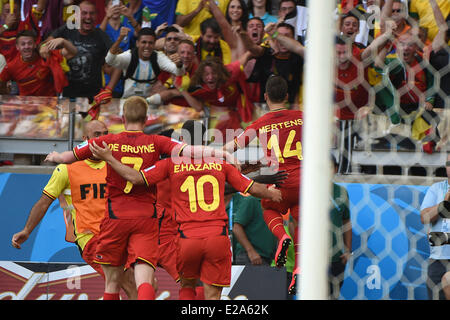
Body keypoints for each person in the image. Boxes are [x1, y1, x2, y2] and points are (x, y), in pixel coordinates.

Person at [44, 96, 239, 300]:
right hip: (151, 221)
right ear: (146, 118)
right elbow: (193, 154)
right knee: (152, 280)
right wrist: (222, 154)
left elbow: (69, 157)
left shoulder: (107, 141)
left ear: (122, 117)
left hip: (117, 217)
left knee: (113, 282)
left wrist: (56, 157)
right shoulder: (158, 143)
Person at [88, 120, 282, 300]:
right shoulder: (207, 163)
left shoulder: (165, 165)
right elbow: (225, 186)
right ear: (205, 142)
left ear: (180, 141)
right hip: (172, 234)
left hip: (159, 230)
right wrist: (263, 180)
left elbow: (138, 178)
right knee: (182, 284)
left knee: (139, 284)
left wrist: (111, 160)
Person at [11, 120, 137, 299]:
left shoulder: (116, 164)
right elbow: (44, 202)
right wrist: (26, 230)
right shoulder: (67, 168)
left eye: (106, 134)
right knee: (128, 282)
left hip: (118, 235)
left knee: (138, 284)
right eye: (97, 135)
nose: (103, 139)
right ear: (85, 139)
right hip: (91, 237)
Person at [224, 75, 303, 294]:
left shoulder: (260, 123)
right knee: (301, 220)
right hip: (302, 181)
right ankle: (298, 267)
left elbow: (230, 147)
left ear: (266, 97)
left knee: (268, 208)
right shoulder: (302, 117)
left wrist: (222, 156)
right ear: (287, 96)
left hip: (278, 180)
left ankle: (281, 236)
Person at [48, 0, 115, 101]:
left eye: (91, 13)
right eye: (84, 13)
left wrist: (109, 89)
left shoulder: (101, 35)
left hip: (92, 97)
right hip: (66, 96)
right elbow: (47, 43)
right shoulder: (67, 29)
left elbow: (119, 62)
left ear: (96, 16)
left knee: (90, 118)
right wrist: (49, 48)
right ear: (76, 15)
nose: (88, 17)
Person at [105, 27, 184, 99]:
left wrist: (179, 65)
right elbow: (109, 60)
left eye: (150, 43)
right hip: (127, 102)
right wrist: (120, 38)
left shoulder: (158, 57)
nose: (147, 46)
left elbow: (179, 72)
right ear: (137, 43)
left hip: (150, 103)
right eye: (144, 42)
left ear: (154, 44)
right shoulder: (129, 56)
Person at [0, 29, 77, 96]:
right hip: (26, 106)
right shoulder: (11, 66)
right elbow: (2, 83)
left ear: (35, 45)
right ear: (17, 47)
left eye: (30, 43)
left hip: (49, 104)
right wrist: (6, 95)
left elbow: (73, 52)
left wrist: (63, 41)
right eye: (23, 44)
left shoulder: (45, 55)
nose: (26, 46)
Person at [420, 153, 450, 300]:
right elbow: (424, 218)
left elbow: (433, 238)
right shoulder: (437, 189)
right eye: (449, 163)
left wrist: (438, 238)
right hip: (438, 258)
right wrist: (443, 204)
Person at [228, 192, 278, 266]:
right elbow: (237, 228)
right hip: (251, 258)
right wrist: (251, 251)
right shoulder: (251, 200)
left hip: (267, 258)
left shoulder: (275, 204)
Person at [328, 155, 352, 300]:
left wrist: (348, 250)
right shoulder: (306, 191)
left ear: (335, 169)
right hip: (312, 259)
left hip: (336, 259)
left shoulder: (342, 192)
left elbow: (346, 222)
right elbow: (294, 223)